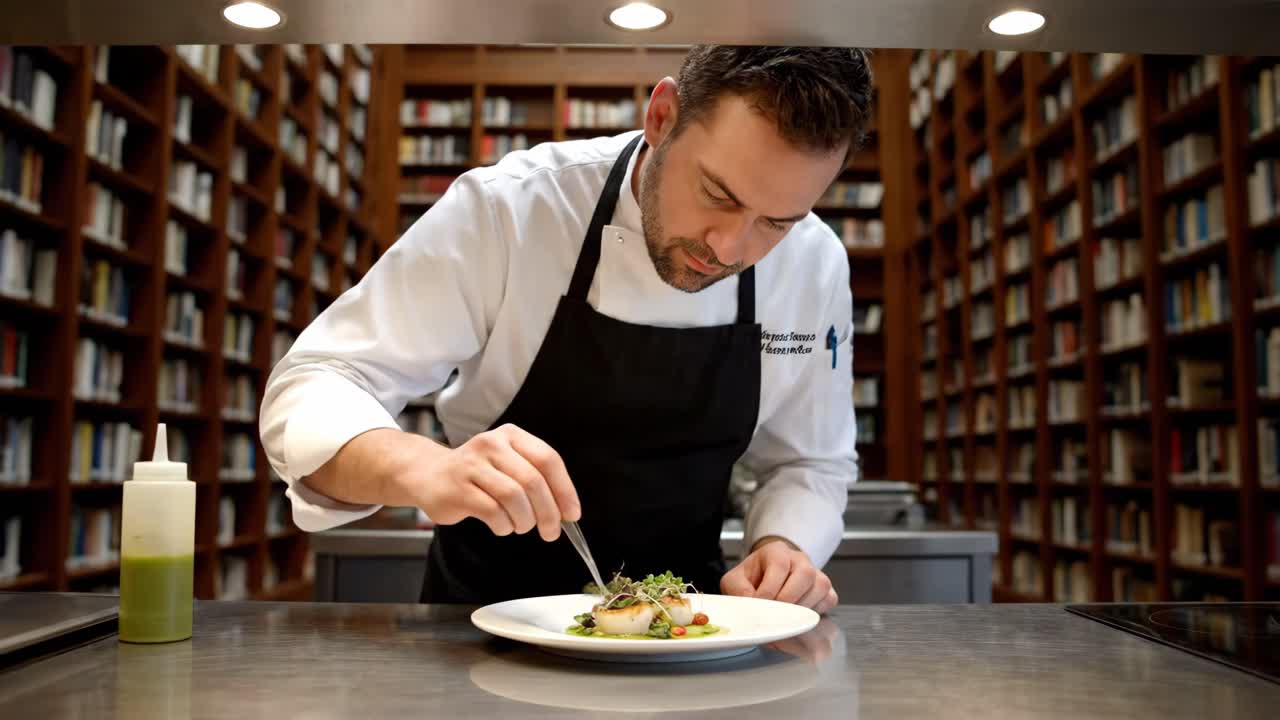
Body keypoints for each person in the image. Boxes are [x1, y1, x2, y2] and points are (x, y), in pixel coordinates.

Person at [260, 45, 874, 613]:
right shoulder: (513, 209)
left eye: (778, 222)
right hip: (478, 627)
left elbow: (811, 461)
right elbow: (315, 383)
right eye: (717, 193)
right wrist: (423, 467)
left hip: (686, 633)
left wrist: (785, 544)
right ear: (662, 117)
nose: (729, 247)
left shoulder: (813, 264)